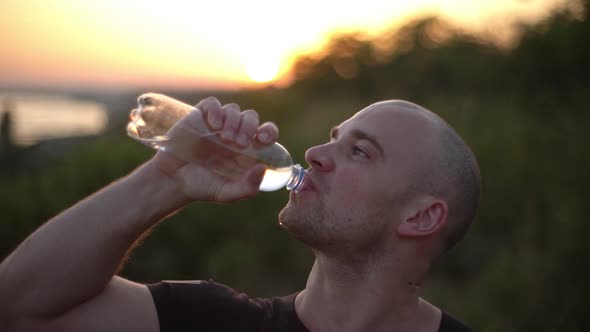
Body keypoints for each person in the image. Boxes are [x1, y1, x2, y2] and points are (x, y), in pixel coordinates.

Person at [0, 96, 480, 332]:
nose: (314, 152)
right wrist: (164, 179)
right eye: (333, 137)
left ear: (421, 218)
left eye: (360, 152)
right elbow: (17, 305)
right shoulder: (211, 320)